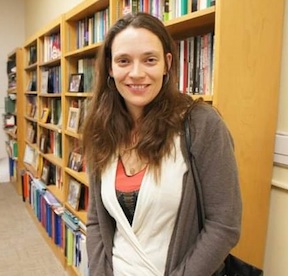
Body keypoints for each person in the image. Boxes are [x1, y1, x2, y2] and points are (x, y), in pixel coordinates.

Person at [82, 12, 242, 276]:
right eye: (124, 61)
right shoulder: (102, 129)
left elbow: (224, 226)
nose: (136, 73)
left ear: (167, 63)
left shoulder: (201, 124)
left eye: (149, 60)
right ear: (110, 67)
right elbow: (96, 221)